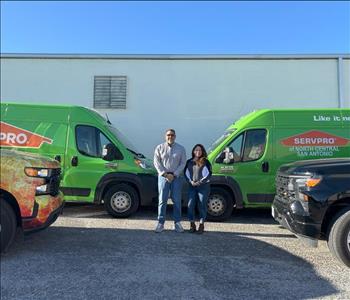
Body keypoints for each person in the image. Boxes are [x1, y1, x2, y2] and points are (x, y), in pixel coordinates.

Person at [153, 129, 187, 233]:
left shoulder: (181, 149)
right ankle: (160, 223)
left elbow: (183, 163)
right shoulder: (159, 147)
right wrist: (165, 174)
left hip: (176, 177)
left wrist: (175, 174)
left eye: (172, 135)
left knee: (176, 201)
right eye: (168, 135)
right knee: (162, 200)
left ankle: (177, 223)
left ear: (175, 136)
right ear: (165, 136)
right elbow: (156, 162)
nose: (170, 137)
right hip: (163, 177)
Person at [184, 144, 212, 234]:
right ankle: (192, 224)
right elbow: (186, 173)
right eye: (196, 150)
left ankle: (201, 224)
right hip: (192, 186)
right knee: (190, 205)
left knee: (202, 205)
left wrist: (199, 182)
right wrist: (190, 182)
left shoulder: (206, 162)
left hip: (203, 187)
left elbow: (208, 175)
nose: (198, 152)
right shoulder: (189, 162)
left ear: (202, 151)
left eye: (200, 150)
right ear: (193, 151)